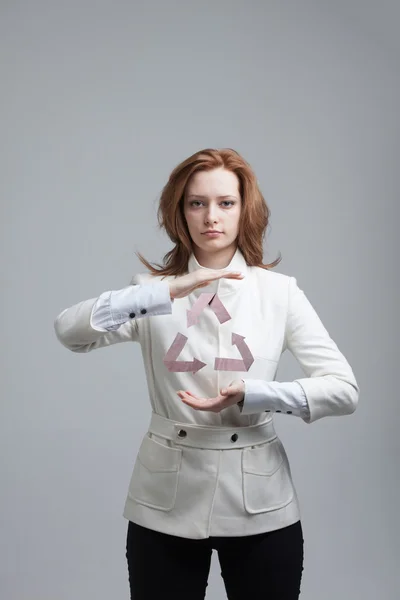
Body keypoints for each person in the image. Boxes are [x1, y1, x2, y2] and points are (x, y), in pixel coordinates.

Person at [54, 148, 359, 599]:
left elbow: (343, 390)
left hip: (260, 500)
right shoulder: (149, 295)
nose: (210, 217)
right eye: (196, 203)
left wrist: (255, 394)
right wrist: (165, 290)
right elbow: (69, 332)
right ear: (179, 211)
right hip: (165, 496)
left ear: (244, 210)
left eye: (225, 203)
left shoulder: (279, 293)